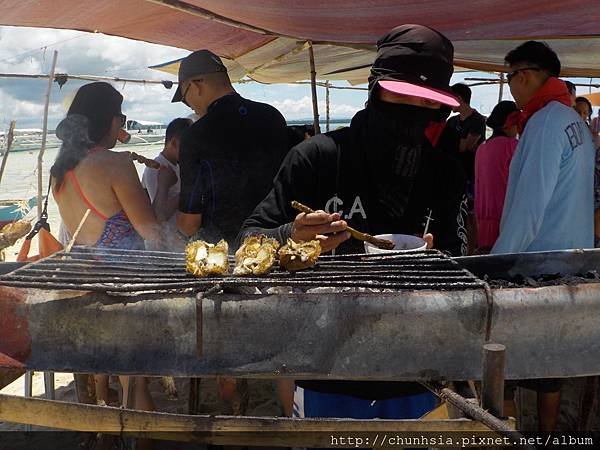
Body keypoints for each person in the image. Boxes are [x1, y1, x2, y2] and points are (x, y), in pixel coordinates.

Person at [240, 24, 466, 421]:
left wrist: (437, 259)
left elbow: (458, 259)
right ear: (375, 88)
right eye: (403, 95)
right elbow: (247, 241)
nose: (414, 112)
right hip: (325, 363)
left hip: (417, 367)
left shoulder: (444, 171)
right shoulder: (317, 158)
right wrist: (290, 236)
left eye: (427, 103)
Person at [492, 41, 595, 432]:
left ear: (527, 75)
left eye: (510, 78)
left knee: (507, 365)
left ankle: (505, 437)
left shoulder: (544, 122)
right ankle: (549, 439)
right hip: (571, 264)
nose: (511, 87)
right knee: (549, 365)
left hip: (534, 269)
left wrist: (496, 266)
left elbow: (528, 208)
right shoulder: (574, 122)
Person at [51, 82, 159, 413]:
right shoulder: (114, 164)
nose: (123, 126)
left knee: (120, 378)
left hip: (87, 286)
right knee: (135, 384)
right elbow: (150, 231)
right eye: (121, 118)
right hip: (123, 288)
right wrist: (163, 185)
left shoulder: (61, 170)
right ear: (108, 119)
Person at [169, 49, 289, 248]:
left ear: (196, 85)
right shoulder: (273, 117)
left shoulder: (196, 135)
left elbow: (189, 223)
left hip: (226, 252)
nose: (188, 105)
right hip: (276, 240)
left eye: (184, 95)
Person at [436, 83, 486, 254]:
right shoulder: (452, 121)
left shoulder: (477, 120)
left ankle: (472, 251)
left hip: (471, 173)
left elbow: (466, 146)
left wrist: (450, 143)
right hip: (453, 174)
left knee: (471, 215)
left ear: (459, 98)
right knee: (456, 213)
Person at [474, 101, 519, 251]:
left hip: (483, 217)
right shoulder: (513, 146)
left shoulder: (482, 148)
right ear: (510, 123)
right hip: (506, 217)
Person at [141, 117, 192, 222]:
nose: (192, 151)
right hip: (167, 235)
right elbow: (160, 215)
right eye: (189, 146)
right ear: (173, 143)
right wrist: (188, 191)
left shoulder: (177, 165)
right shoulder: (155, 169)